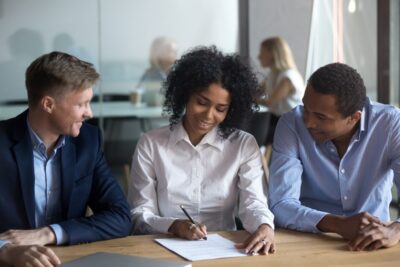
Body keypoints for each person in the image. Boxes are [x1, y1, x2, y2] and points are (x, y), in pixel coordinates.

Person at [128, 46, 275, 255]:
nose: (208, 115)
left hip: (225, 250)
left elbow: (254, 203)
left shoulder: (243, 144)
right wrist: (172, 225)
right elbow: (139, 212)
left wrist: (264, 226)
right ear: (185, 95)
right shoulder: (151, 143)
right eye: (201, 102)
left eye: (220, 109)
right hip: (162, 248)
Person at [0, 51, 131, 266]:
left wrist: (49, 233)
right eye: (81, 104)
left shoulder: (88, 141)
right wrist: (4, 251)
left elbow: (120, 217)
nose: (89, 113)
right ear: (48, 104)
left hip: (68, 261)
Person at [268, 62, 400, 251]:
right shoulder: (291, 124)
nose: (308, 122)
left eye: (320, 117)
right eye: (306, 109)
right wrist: (338, 224)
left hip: (373, 242)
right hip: (306, 241)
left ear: (354, 118)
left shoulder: (390, 123)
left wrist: (396, 229)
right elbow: (280, 204)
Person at [257, 37, 304, 145]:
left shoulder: (288, 77)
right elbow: (257, 91)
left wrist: (250, 99)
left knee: (252, 135)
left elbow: (270, 102)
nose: (259, 56)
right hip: (276, 119)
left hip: (291, 124)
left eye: (262, 52)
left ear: (272, 54)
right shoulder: (272, 74)